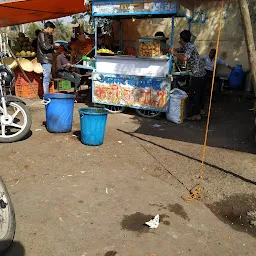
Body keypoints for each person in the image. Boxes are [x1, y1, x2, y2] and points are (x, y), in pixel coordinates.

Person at [170, 30, 207, 121]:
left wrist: (174, 53)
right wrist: (172, 50)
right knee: (199, 94)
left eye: (180, 39)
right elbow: (180, 50)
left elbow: (185, 57)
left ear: (182, 39)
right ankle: (201, 111)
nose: (179, 40)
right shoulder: (187, 46)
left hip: (198, 74)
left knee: (195, 94)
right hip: (200, 74)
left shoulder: (190, 46)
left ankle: (196, 115)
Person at [37, 21, 60, 95]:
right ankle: (46, 95)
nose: (52, 32)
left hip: (48, 58)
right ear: (48, 28)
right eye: (52, 30)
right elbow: (45, 47)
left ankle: (46, 94)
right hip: (45, 58)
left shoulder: (47, 35)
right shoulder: (41, 34)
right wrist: (54, 45)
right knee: (46, 77)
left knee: (47, 77)